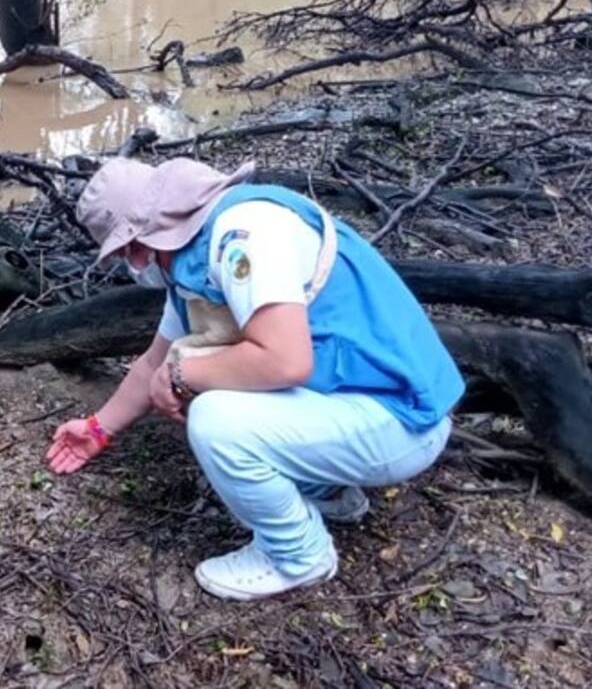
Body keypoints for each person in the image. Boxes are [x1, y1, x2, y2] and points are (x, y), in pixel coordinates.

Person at [46, 156, 464, 601]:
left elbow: (285, 362)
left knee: (215, 416)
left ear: (140, 239)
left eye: (127, 250)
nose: (131, 263)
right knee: (211, 378)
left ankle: (297, 555)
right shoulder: (192, 255)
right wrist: (97, 429)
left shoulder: (243, 238)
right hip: (366, 404)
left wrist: (184, 375)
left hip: (402, 422)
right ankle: (329, 492)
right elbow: (154, 362)